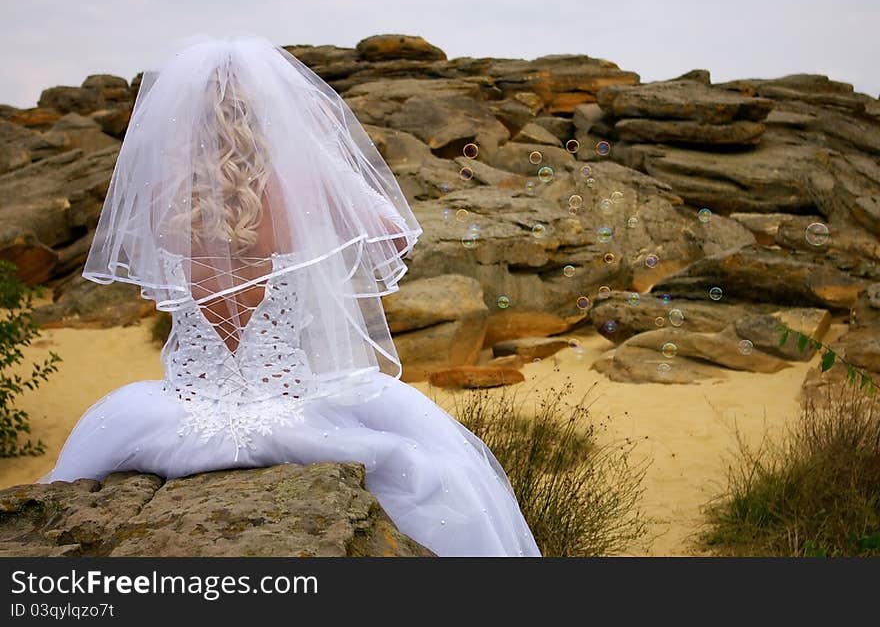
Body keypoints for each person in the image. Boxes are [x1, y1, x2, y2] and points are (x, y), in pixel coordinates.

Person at [40, 33, 541, 557]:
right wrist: (321, 148)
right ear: (266, 110)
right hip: (293, 409)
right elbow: (394, 233)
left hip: (179, 412)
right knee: (447, 476)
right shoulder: (297, 185)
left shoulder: (163, 201)